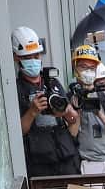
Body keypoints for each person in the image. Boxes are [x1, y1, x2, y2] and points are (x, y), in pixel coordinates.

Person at [12, 26, 80, 177]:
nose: (33, 61)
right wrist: (32, 112)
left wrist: (66, 112)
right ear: (16, 57)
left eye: (36, 56)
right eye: (27, 57)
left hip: (66, 158)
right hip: (40, 165)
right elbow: (16, 133)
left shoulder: (52, 83)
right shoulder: (15, 89)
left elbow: (74, 120)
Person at [70, 44, 105, 176]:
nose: (88, 71)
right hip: (88, 163)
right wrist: (78, 110)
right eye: (83, 67)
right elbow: (73, 133)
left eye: (92, 68)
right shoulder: (71, 98)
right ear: (75, 69)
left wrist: (99, 112)